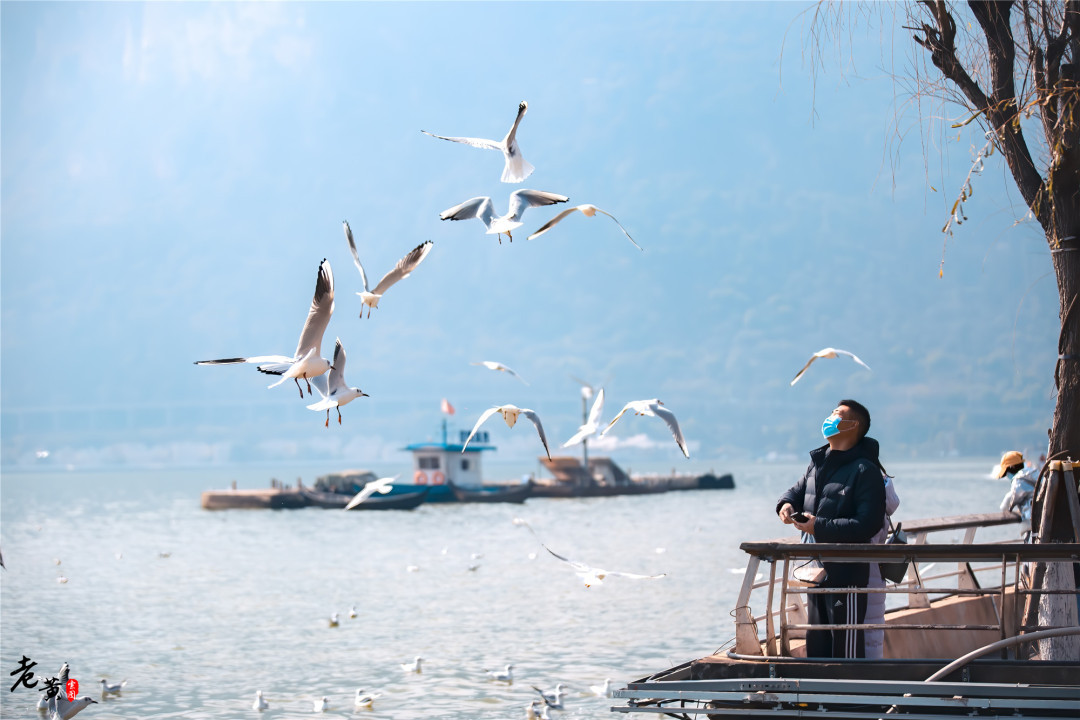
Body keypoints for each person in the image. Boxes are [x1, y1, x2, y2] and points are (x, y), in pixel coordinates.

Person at [777, 399, 887, 658]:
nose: (830, 418)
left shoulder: (865, 470)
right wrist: (786, 505)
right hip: (815, 572)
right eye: (831, 413)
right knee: (817, 637)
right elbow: (796, 491)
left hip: (846, 575)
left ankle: (847, 695)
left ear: (852, 426)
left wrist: (819, 526)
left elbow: (868, 524)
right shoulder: (817, 464)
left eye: (837, 414)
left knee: (845, 642)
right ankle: (818, 695)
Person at [864, 473, 901, 659]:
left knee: (862, 633)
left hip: (861, 575)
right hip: (877, 575)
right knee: (873, 633)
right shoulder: (883, 493)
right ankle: (873, 678)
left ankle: (865, 680)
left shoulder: (866, 496)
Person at [996, 450, 1038, 537]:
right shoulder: (1034, 473)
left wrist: (1006, 508)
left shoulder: (1018, 479)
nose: (1007, 476)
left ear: (1011, 467)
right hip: (1044, 516)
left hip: (1033, 519)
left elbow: (1014, 496)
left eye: (1006, 473)